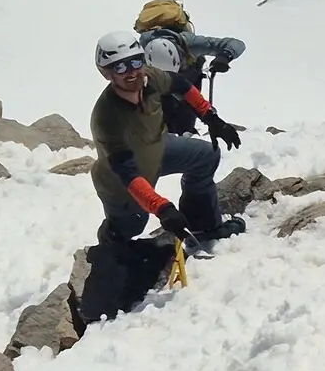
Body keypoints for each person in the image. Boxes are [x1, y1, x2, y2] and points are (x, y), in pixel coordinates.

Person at [78, 30, 246, 324]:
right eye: (119, 67)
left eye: (134, 62)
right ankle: (112, 246)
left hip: (159, 148)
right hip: (121, 183)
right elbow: (129, 175)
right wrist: (162, 208)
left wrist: (211, 117)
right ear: (106, 73)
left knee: (205, 157)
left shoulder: (151, 78)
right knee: (131, 226)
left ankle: (203, 226)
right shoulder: (106, 117)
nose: (130, 72)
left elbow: (181, 85)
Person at [133, 0, 247, 137]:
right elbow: (236, 44)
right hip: (187, 103)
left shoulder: (137, 49)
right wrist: (224, 57)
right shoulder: (189, 43)